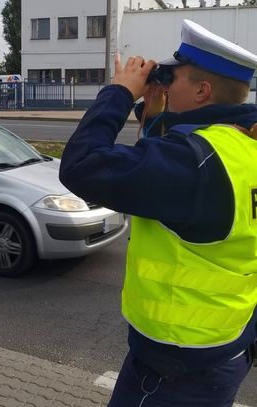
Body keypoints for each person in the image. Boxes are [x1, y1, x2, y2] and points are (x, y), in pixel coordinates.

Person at [59, 19, 257, 406]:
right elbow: (168, 187)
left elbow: (82, 164)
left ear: (202, 90)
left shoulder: (195, 164)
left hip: (175, 368)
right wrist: (154, 116)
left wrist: (119, 91)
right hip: (227, 345)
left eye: (173, 76)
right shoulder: (241, 147)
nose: (163, 82)